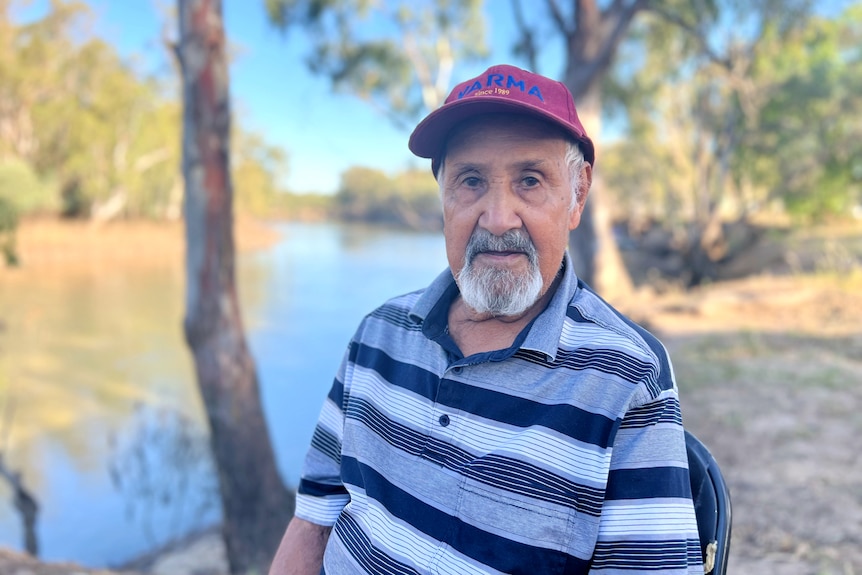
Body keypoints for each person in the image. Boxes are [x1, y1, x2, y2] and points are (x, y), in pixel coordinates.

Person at [269, 64, 703, 574]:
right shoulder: (377, 334)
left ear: (577, 195)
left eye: (530, 180)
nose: (498, 218)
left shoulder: (626, 376)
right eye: (471, 181)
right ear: (444, 199)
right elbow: (314, 520)